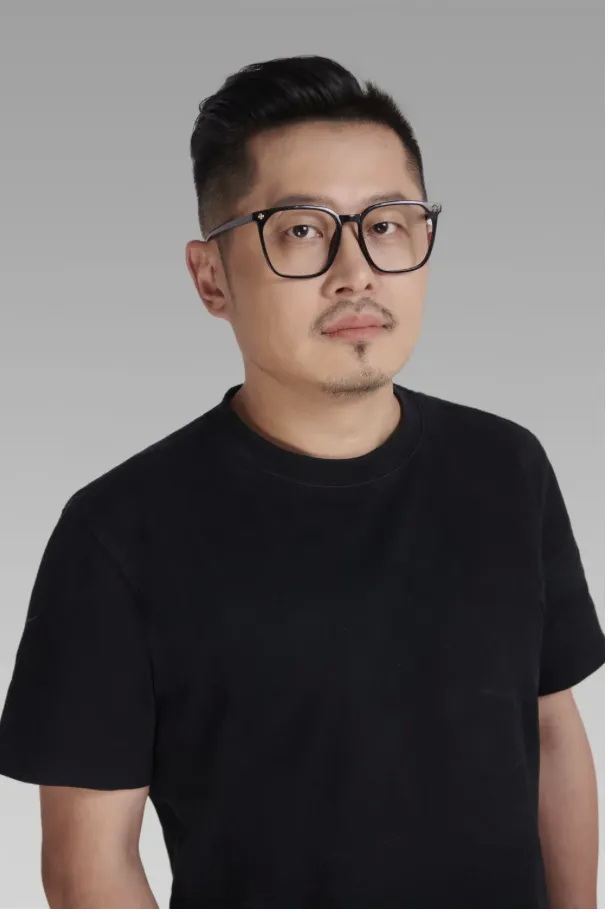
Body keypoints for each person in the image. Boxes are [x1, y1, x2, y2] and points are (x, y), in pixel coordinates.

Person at [0, 54, 604, 910]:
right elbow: (86, 864)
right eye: (301, 230)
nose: (357, 271)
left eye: (387, 224)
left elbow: (552, 733)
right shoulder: (118, 534)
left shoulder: (508, 467)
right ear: (211, 277)